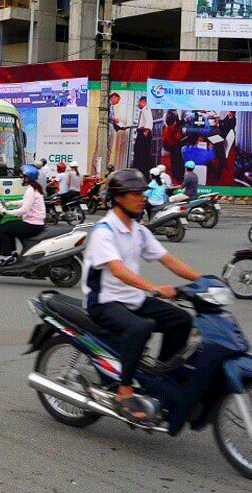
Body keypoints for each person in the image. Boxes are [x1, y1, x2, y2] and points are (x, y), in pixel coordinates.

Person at [82, 168, 199, 422]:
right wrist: (154, 288)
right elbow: (118, 270)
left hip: (131, 299)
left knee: (181, 319)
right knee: (140, 328)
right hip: (104, 301)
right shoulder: (104, 232)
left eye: (142, 192)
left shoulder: (139, 231)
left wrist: (203, 281)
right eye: (135, 193)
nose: (142, 197)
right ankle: (124, 391)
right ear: (118, 197)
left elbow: (168, 259)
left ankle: (161, 378)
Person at [0, 164, 45, 266]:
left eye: (23, 177)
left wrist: (7, 212)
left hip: (32, 225)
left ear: (28, 178)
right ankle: (12, 254)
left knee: (3, 228)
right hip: (35, 223)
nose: (22, 179)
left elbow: (24, 209)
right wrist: (11, 203)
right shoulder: (35, 188)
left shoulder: (31, 190)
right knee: (9, 224)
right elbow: (26, 201)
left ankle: (7, 256)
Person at [132, 96, 153, 177]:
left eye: (139, 102)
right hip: (142, 132)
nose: (138, 104)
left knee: (142, 153)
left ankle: (142, 170)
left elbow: (148, 123)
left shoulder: (146, 109)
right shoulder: (144, 110)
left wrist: (144, 134)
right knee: (140, 153)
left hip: (144, 133)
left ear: (143, 102)